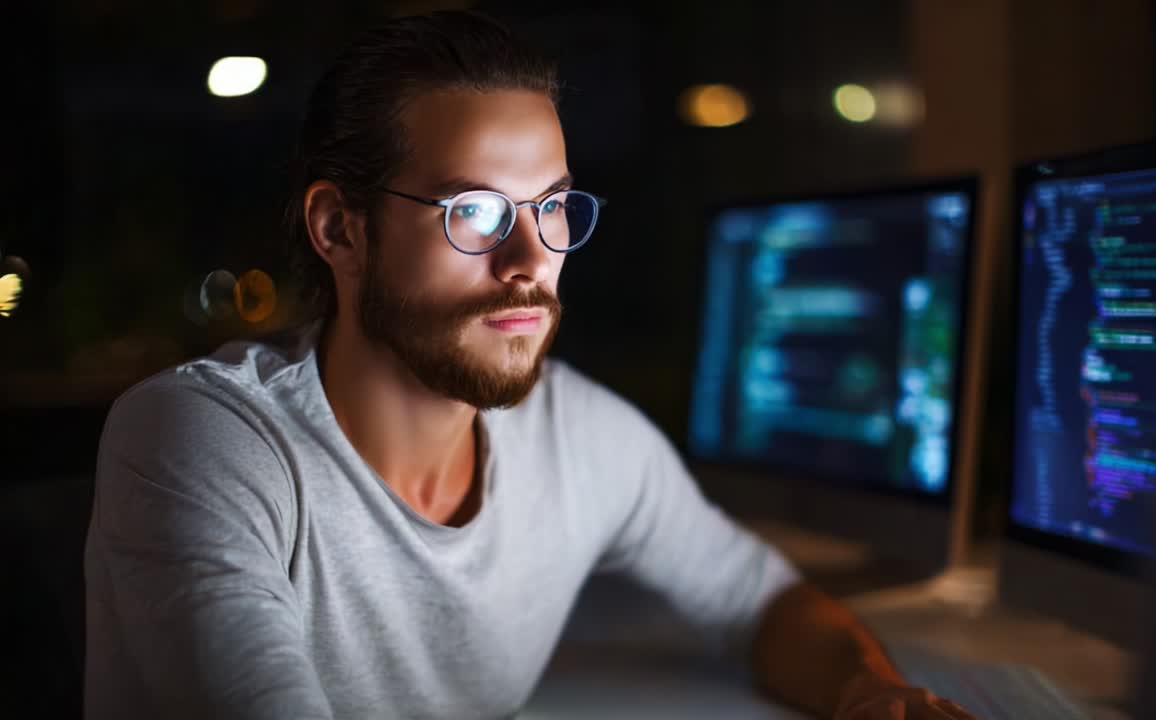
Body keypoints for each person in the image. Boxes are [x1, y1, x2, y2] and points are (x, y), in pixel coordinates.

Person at [83, 11, 974, 720]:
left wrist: (868, 690)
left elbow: (762, 603)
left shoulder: (582, 435)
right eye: (473, 211)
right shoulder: (202, 440)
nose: (528, 260)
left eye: (552, 208)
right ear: (339, 230)